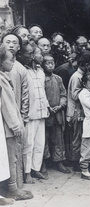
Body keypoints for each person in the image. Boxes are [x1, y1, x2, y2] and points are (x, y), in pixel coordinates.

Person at [0, 47, 33, 201]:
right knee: (10, 157)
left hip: (7, 125)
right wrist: (16, 125)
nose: (13, 62)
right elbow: (7, 104)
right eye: (10, 60)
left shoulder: (3, 77)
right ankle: (12, 188)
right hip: (8, 127)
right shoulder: (1, 80)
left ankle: (11, 188)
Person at [66, 51, 90, 171]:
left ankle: (82, 161)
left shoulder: (83, 76)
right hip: (76, 113)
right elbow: (75, 95)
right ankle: (75, 163)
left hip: (81, 112)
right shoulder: (76, 77)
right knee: (78, 139)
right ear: (85, 65)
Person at [23, 47, 50, 183]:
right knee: (29, 144)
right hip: (30, 113)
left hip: (42, 112)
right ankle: (27, 172)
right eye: (40, 54)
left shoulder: (41, 72)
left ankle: (36, 169)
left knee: (40, 143)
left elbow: (43, 92)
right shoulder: (25, 72)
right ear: (33, 55)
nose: (42, 57)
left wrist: (46, 106)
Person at [42, 54, 71, 174]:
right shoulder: (41, 79)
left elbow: (64, 94)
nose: (50, 65)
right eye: (47, 63)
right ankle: (43, 163)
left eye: (52, 63)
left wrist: (60, 105)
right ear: (42, 65)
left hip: (58, 114)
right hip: (46, 114)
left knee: (58, 139)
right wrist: (48, 107)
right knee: (44, 139)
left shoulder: (58, 79)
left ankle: (59, 161)